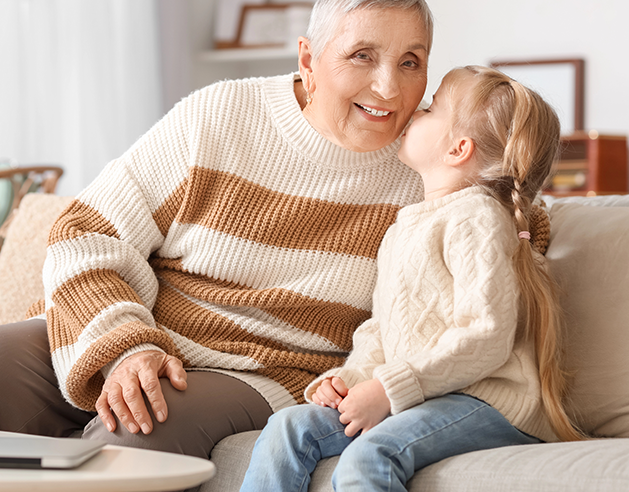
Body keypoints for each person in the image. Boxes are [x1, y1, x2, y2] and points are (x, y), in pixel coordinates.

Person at [0, 0, 436, 460]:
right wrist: (126, 344)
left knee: (140, 425)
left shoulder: (431, 170)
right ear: (308, 59)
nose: (389, 88)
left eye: (410, 61)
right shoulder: (219, 115)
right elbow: (85, 232)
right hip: (145, 331)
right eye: (362, 56)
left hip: (269, 371)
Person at [238, 65, 585, 492]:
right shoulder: (404, 227)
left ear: (458, 148)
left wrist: (388, 389)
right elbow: (381, 329)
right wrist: (351, 380)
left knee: (371, 455)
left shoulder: (477, 218)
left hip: (489, 402)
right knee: (288, 426)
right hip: (420, 396)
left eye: (433, 106)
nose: (417, 110)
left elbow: (487, 334)